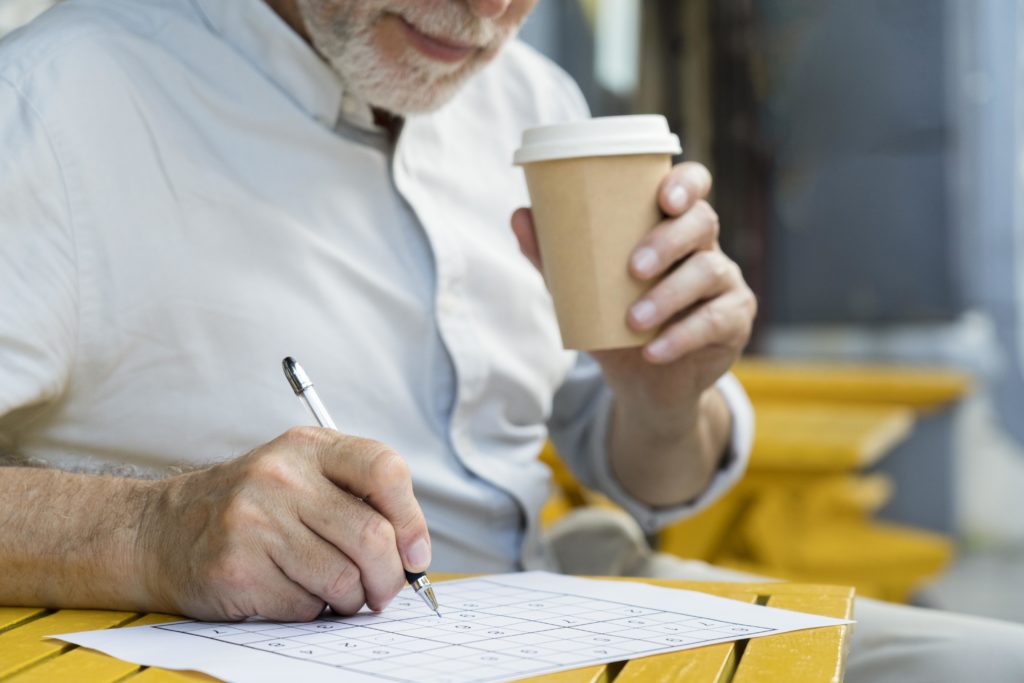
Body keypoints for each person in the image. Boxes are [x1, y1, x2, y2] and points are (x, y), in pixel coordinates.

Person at [0, 0, 1020, 680]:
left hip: (569, 605)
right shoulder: (52, 102)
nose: (489, 6)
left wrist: (665, 398)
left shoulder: (533, 105)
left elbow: (631, 469)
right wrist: (152, 532)